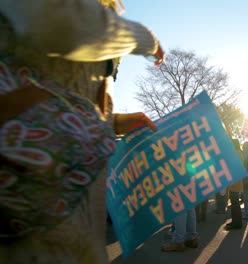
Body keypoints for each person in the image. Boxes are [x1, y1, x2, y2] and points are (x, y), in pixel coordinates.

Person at [0, 1, 163, 263]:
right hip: (33, 218)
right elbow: (57, 22)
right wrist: (144, 38)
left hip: (65, 212)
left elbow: (63, 96)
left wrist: (112, 123)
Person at [224, 139, 244, 230]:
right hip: (238, 180)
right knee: (235, 203)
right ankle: (236, 221)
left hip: (234, 181)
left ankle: (236, 223)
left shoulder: (235, 153)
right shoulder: (240, 153)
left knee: (234, 203)